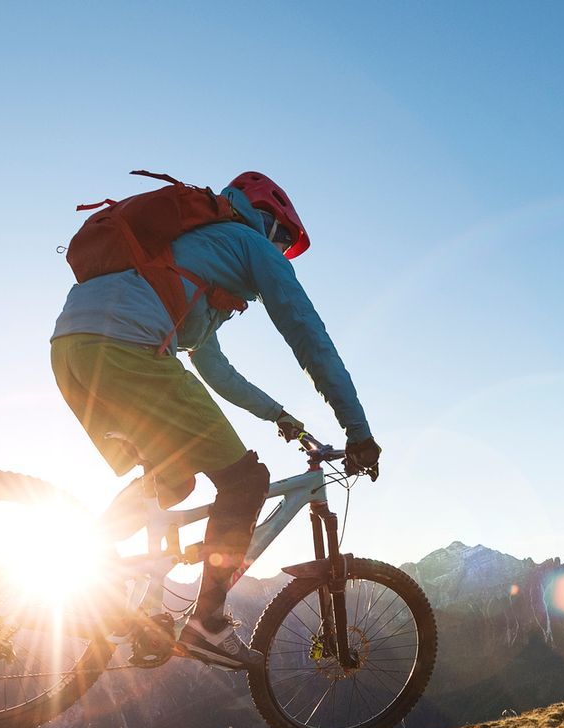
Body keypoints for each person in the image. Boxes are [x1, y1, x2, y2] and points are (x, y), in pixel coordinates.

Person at [50, 171, 379, 670]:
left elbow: (216, 371)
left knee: (173, 481)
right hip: (127, 350)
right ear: (268, 220)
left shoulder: (195, 256)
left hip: (71, 352)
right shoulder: (249, 244)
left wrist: (279, 416)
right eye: (285, 240)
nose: (282, 252)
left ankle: (92, 570)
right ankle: (208, 622)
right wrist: (359, 432)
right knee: (246, 480)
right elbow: (310, 337)